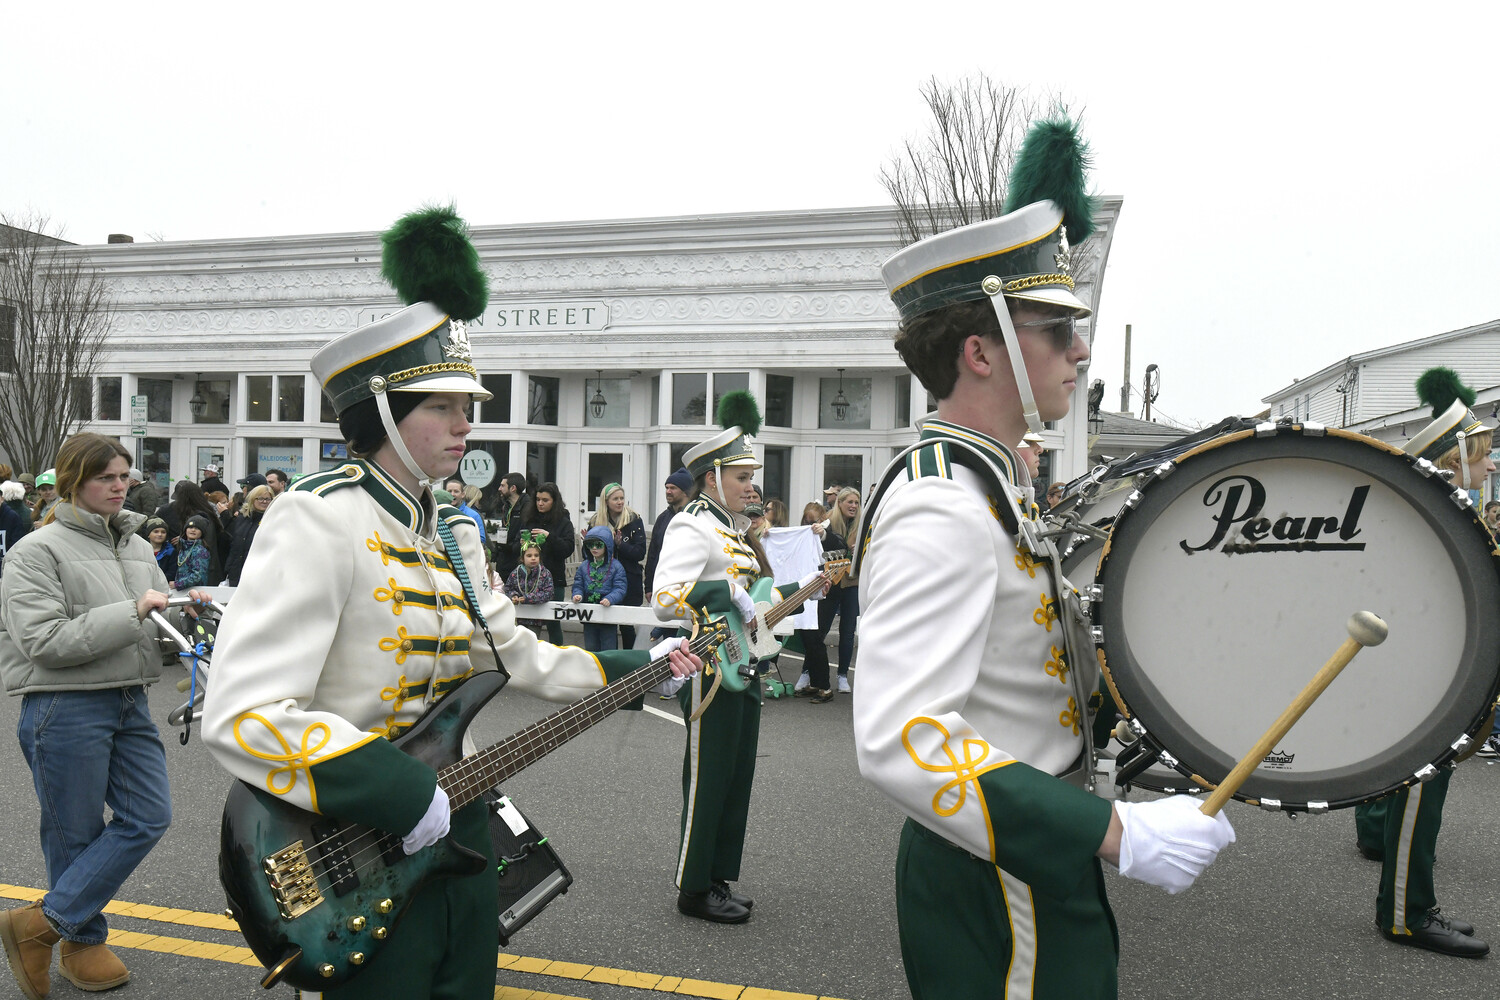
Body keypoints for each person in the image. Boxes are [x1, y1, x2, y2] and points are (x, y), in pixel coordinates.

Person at [199, 205, 699, 1000]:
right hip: (358, 841)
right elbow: (243, 712)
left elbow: (515, 657)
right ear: (385, 413)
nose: (469, 424)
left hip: (459, 840)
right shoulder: (320, 514)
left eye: (468, 405)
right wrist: (398, 791)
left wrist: (641, 667)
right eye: (444, 406)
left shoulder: (452, 532)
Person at [851, 118, 1234, 999]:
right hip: (996, 865)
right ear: (979, 350)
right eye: (1057, 328)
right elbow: (902, 742)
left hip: (1029, 840)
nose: (1082, 349)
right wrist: (1118, 835)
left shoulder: (996, 482)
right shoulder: (942, 506)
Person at [0, 433, 212, 997]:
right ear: (72, 482)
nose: (120, 486)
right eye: (106, 478)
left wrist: (192, 611)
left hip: (130, 699)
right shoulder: (34, 551)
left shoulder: (138, 548)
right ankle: (81, 942)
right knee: (74, 831)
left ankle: (40, 923)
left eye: (125, 476)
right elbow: (43, 642)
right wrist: (134, 610)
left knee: (148, 815)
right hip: (63, 705)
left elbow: (156, 630)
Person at [652, 391, 820, 923]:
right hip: (706, 667)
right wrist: (723, 593)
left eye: (752, 477)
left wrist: (800, 587)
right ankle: (692, 887)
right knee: (708, 778)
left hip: (742, 663)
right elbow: (663, 599)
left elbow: (757, 601)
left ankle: (717, 877)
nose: (752, 486)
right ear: (711, 478)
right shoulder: (693, 524)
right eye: (742, 477)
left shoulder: (733, 529)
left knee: (736, 776)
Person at [1352, 367, 1492, 958]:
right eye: (1484, 458)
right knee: (1420, 790)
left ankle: (1409, 898)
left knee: (1421, 792)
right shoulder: (1440, 512)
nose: (1492, 467)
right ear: (1456, 460)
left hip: (1431, 670)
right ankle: (1407, 914)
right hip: (1426, 674)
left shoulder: (1442, 507)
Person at [591, 483, 647, 648]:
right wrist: (589, 543)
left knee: (627, 625)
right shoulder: (596, 521)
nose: (620, 502)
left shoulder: (634, 519)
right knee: (607, 626)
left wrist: (620, 544)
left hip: (629, 579)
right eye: (615, 499)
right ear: (606, 501)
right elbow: (589, 555)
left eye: (622, 498)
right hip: (603, 580)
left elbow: (640, 553)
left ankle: (629, 662)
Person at [818, 486, 862, 694]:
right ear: (840, 503)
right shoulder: (827, 520)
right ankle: (809, 671)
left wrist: (860, 550)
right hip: (830, 581)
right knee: (820, 630)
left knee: (847, 632)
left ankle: (843, 675)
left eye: (856, 502)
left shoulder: (864, 524)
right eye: (850, 502)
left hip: (852, 582)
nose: (853, 506)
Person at [520, 482, 574, 645]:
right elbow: (517, 546)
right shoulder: (529, 519)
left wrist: (549, 537)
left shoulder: (564, 522)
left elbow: (567, 549)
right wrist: (523, 543)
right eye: (537, 500)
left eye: (545, 500)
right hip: (529, 579)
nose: (540, 504)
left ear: (554, 501)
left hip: (553, 578)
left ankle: (556, 656)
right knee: (526, 622)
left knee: (553, 623)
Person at [645, 468, 694, 643]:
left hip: (689, 589)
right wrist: (649, 586)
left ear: (686, 490)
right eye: (666, 487)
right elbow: (653, 554)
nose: (668, 491)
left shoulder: (696, 517)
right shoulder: (663, 518)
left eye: (673, 487)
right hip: (664, 587)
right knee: (669, 646)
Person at [791, 502, 834, 701]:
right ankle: (817, 683)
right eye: (807, 522)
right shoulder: (802, 535)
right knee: (808, 640)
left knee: (816, 641)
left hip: (823, 593)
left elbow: (838, 544)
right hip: (805, 590)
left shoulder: (830, 532)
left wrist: (823, 534)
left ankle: (825, 686)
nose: (810, 525)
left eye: (814, 521)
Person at [572, 526, 627, 651]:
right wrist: (577, 594)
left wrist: (610, 598)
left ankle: (608, 670)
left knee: (609, 648)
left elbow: (620, 588)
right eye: (591, 545)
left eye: (598, 544)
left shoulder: (617, 566)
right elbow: (578, 584)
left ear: (607, 545)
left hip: (607, 612)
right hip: (588, 612)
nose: (594, 548)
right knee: (590, 647)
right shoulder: (584, 566)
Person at [223, 484, 274, 586]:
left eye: (268, 499)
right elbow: (233, 545)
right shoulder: (242, 518)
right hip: (236, 571)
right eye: (260, 498)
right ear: (252, 499)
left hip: (260, 573)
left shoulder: (273, 520)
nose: (264, 501)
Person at [493, 471, 534, 581]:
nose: (499, 489)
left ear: (513, 488)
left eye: (502, 486)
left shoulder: (527, 507)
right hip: (504, 558)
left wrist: (512, 547)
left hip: (517, 561)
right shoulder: (506, 506)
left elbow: (525, 532)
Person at [504, 534, 554, 607]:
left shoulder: (545, 573)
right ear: (522, 558)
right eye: (529, 556)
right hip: (520, 614)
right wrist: (514, 596)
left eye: (536, 555)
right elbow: (508, 589)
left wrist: (528, 598)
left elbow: (549, 593)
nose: (533, 558)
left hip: (539, 613)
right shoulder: (515, 573)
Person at [175, 515, 215, 590]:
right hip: (183, 591)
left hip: (196, 592)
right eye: (190, 527)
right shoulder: (183, 548)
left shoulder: (200, 551)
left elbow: (197, 576)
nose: (193, 530)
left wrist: (177, 584)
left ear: (202, 533)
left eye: (197, 528)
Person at [0, 481, 31, 572]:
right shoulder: (28, 512)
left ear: (2, 498)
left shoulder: (12, 516)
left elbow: (17, 547)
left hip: (7, 567)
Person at [144, 516, 176, 584]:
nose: (160, 534)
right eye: (156, 532)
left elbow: (172, 572)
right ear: (148, 534)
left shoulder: (171, 552)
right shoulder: (142, 550)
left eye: (163, 532)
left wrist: (158, 581)